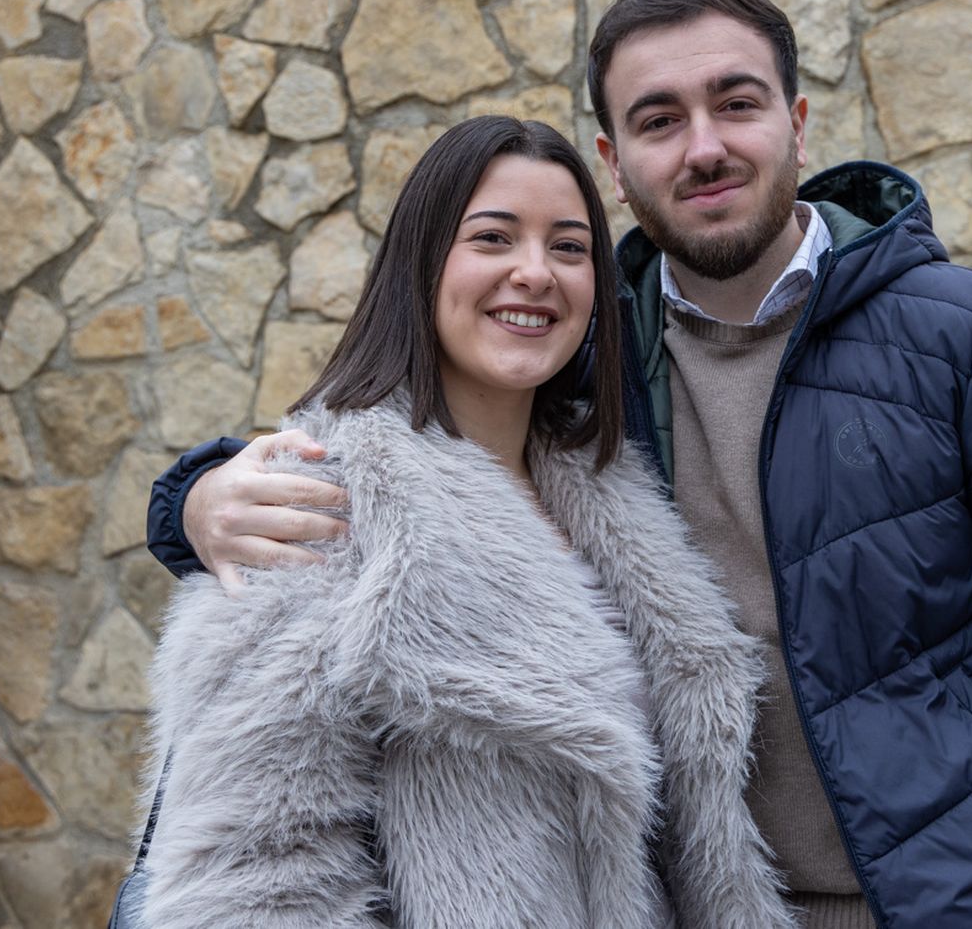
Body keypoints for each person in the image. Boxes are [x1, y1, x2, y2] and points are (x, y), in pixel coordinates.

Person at [147, 0, 972, 929]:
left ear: (796, 120)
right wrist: (193, 499)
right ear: (614, 163)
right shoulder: (590, 373)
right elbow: (395, 457)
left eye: (736, 102)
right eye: (657, 119)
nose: (704, 147)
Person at [136, 116, 796, 928]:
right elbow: (253, 884)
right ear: (422, 262)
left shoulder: (615, 493)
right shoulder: (313, 507)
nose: (534, 273)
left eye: (567, 247)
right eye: (492, 238)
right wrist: (190, 498)